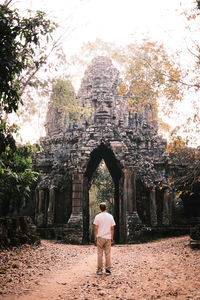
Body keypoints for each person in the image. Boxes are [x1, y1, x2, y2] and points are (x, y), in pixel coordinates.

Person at [93, 202, 116, 276]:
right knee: (108, 254)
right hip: (108, 237)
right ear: (106, 208)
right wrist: (112, 237)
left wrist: (95, 237)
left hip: (100, 237)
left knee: (100, 254)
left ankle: (99, 270)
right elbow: (112, 228)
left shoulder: (97, 216)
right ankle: (108, 270)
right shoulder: (110, 216)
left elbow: (96, 228)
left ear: (100, 208)